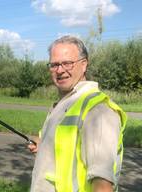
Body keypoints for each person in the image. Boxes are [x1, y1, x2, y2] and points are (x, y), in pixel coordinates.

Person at [28, 35, 127, 192]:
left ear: (84, 64)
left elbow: (102, 186)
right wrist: (46, 147)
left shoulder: (98, 111)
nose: (60, 70)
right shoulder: (65, 104)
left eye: (67, 63)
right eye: (54, 65)